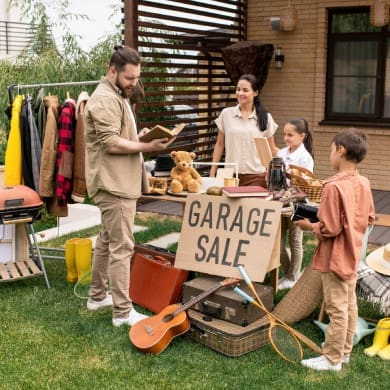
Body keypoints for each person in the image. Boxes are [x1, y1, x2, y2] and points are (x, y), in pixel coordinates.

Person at [84, 45, 172, 327]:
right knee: (123, 247)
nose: (134, 83)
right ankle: (122, 312)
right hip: (114, 185)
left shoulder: (117, 95)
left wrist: (139, 135)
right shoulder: (105, 100)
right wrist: (147, 145)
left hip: (116, 181)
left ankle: (97, 296)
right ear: (113, 71)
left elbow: (119, 134)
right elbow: (110, 143)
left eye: (137, 77)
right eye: (130, 78)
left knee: (107, 242)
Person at [295, 128, 375, 371]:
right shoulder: (364, 182)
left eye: (331, 150)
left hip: (334, 257)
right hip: (353, 253)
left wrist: (309, 226)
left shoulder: (332, 186)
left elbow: (329, 228)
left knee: (336, 309)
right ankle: (344, 351)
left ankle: (332, 359)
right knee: (349, 305)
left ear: (340, 150)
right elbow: (369, 217)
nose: (330, 155)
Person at [210, 74, 279, 187]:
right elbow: (219, 145)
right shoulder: (226, 114)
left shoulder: (266, 117)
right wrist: (213, 171)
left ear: (255, 93)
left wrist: (291, 155)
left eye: (245, 90)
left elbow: (272, 149)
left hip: (257, 177)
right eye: (238, 89)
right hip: (230, 176)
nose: (240, 93)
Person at [277, 118, 314, 290]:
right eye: (285, 134)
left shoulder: (305, 158)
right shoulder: (281, 153)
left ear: (302, 136)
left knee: (295, 240)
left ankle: (292, 277)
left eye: (290, 135)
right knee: (278, 241)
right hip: (280, 201)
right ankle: (289, 274)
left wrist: (292, 190)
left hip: (297, 203)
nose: (286, 138)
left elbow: (306, 187)